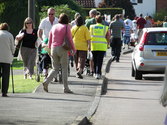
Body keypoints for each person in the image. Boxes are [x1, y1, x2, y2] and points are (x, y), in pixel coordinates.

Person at [42, 13, 76, 93]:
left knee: (55, 68)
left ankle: (46, 82)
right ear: (67, 20)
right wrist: (74, 49)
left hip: (53, 48)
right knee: (64, 68)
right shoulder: (66, 27)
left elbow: (50, 39)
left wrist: (49, 49)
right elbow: (70, 39)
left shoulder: (54, 26)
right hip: (62, 48)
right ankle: (65, 88)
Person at [38, 8, 58, 77]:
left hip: (55, 40)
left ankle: (55, 69)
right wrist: (42, 40)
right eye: (49, 14)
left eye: (52, 14)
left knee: (55, 55)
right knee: (45, 54)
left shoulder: (57, 21)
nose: (50, 15)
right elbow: (40, 32)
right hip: (46, 40)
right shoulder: (44, 21)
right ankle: (45, 70)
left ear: (54, 14)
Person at [0, 23, 15, 97]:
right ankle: (4, 92)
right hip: (6, 58)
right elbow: (12, 47)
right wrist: (12, 53)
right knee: (6, 75)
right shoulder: (10, 35)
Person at [85, 9, 98, 76]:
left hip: (91, 41)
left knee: (91, 57)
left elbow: (85, 31)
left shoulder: (89, 22)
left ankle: (92, 70)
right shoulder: (100, 21)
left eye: (90, 14)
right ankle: (96, 70)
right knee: (97, 57)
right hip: (100, 43)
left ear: (92, 14)